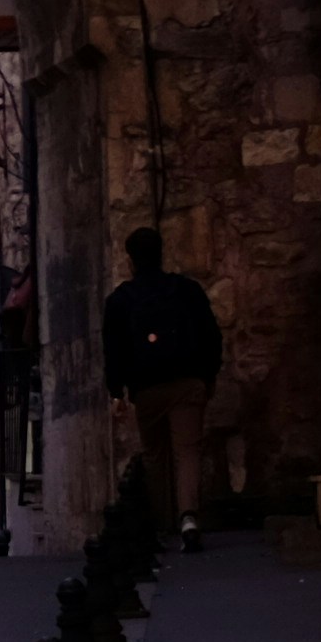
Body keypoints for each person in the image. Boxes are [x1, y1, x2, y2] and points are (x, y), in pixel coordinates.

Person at [99, 224, 227, 548]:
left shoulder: (120, 301)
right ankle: (188, 517)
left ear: (130, 260)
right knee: (188, 451)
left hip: (147, 387)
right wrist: (208, 376)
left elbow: (113, 350)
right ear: (160, 253)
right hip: (187, 381)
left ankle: (162, 523)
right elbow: (211, 335)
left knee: (155, 455)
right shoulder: (187, 290)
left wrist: (117, 392)